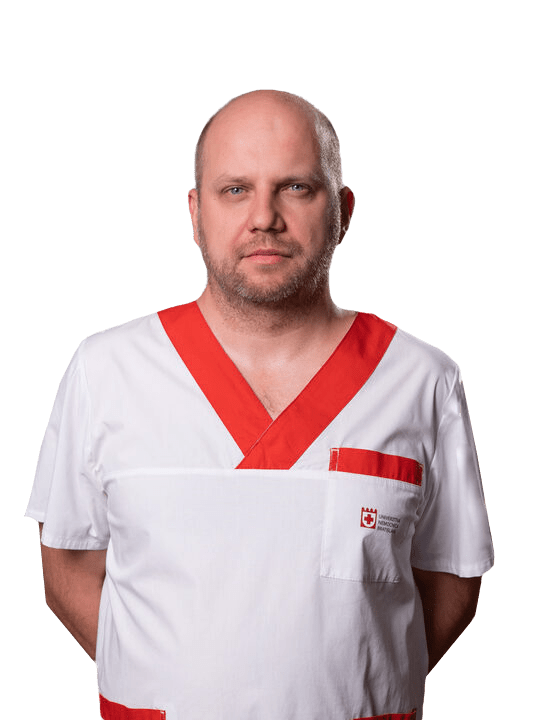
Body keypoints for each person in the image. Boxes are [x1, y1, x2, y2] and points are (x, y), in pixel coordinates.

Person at [25, 89, 494, 720]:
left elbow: (450, 581)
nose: (264, 217)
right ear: (195, 213)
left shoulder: (421, 379)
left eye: (296, 188)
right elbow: (70, 568)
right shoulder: (105, 369)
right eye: (235, 190)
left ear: (344, 211)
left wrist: (350, 686)